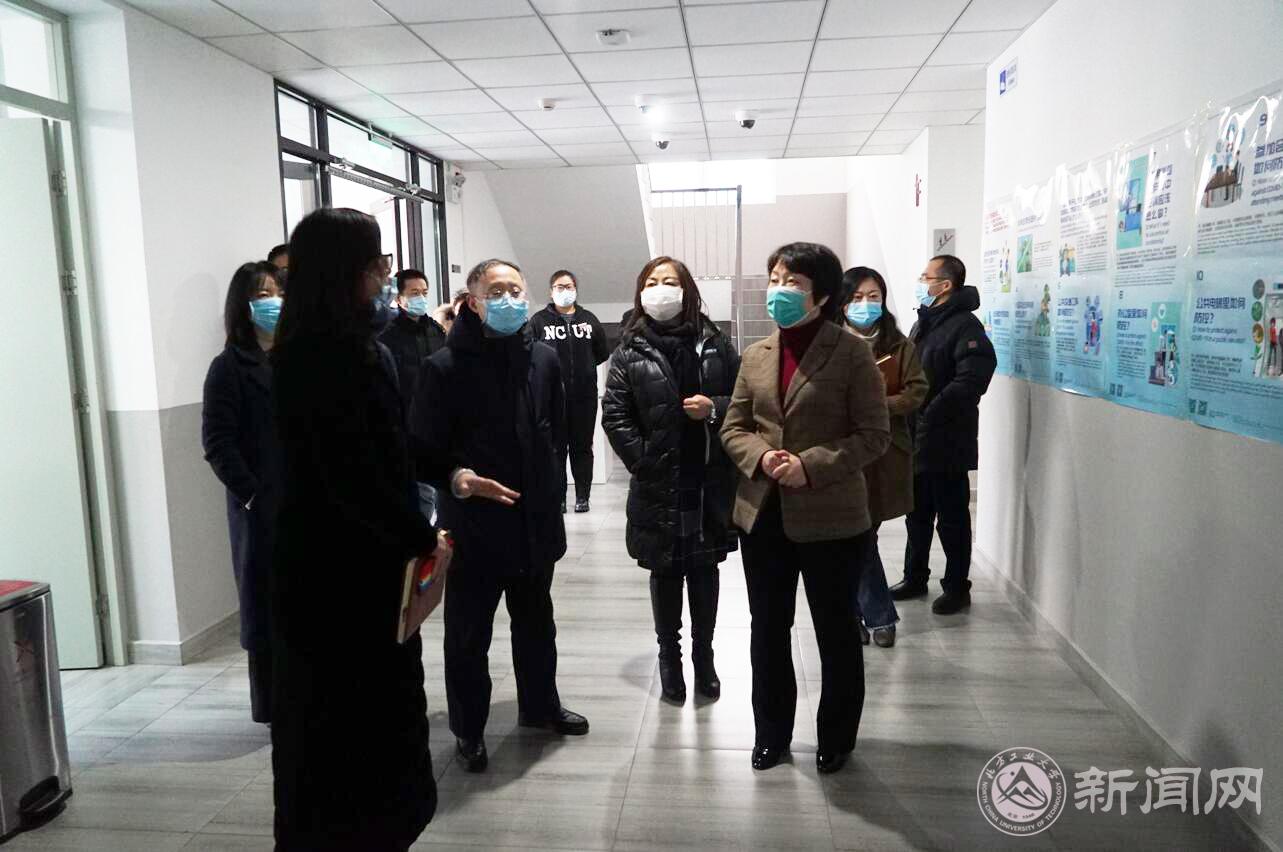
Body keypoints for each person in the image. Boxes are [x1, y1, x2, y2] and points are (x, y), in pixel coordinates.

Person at [269, 208, 452, 851]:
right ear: (346, 272)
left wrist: (446, 479)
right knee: (362, 748)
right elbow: (361, 479)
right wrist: (424, 536)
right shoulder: (340, 358)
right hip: (349, 587)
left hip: (318, 584)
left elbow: (384, 455)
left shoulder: (303, 352)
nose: (384, 278)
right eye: (377, 265)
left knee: (326, 749)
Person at [411, 258, 589, 776]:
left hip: (534, 521)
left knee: (537, 624)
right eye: (496, 291)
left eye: (516, 289)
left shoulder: (544, 360)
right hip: (475, 525)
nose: (509, 299)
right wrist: (458, 477)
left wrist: (551, 489)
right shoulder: (443, 368)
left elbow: (555, 431)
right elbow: (420, 451)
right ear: (473, 302)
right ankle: (468, 728)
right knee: (469, 634)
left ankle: (540, 705)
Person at [720, 242, 889, 774]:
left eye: (793, 282)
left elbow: (874, 435)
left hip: (833, 519)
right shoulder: (756, 354)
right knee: (768, 630)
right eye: (775, 279)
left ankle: (836, 737)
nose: (779, 290)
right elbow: (734, 426)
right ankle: (771, 734)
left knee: (835, 632)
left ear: (822, 295)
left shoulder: (852, 353)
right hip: (764, 514)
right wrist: (762, 455)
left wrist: (809, 465)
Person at [602, 257, 739, 704]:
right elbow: (615, 414)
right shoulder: (629, 349)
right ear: (641, 291)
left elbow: (743, 400)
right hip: (659, 480)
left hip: (706, 478)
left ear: (688, 291)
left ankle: (704, 655)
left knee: (704, 570)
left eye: (670, 282)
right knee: (664, 570)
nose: (661, 289)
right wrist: (644, 461)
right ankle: (669, 657)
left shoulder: (715, 343)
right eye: (652, 282)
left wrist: (713, 409)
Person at [889, 254, 996, 615]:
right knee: (917, 513)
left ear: (945, 285)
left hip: (947, 439)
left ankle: (956, 587)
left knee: (951, 518)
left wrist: (930, 412)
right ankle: (915, 576)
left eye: (926, 277)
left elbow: (972, 380)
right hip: (917, 436)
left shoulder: (965, 326)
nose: (921, 282)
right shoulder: (925, 322)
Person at [201, 260, 283, 723]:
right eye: (264, 295)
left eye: (279, 293)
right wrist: (255, 496)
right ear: (244, 306)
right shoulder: (228, 367)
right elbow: (218, 444)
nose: (275, 303)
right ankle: (271, 705)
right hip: (260, 509)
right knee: (265, 606)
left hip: (306, 502)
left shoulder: (298, 360)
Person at [838, 267, 929, 649]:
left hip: (886, 453)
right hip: (843, 455)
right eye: (857, 297)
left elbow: (917, 390)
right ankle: (873, 616)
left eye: (873, 296)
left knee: (863, 535)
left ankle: (863, 616)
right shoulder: (829, 343)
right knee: (855, 537)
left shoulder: (898, 343)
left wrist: (877, 405)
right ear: (843, 302)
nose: (865, 304)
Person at [529, 269, 610, 513]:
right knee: (556, 449)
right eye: (560, 287)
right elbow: (531, 354)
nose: (565, 291)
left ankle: (583, 497)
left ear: (576, 289)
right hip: (551, 397)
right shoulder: (539, 321)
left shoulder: (589, 319)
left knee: (582, 448)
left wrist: (583, 369)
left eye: (569, 286)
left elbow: (601, 352)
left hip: (584, 397)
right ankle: (559, 499)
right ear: (551, 291)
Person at [380, 269, 448, 522]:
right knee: (418, 491)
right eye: (414, 293)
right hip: (405, 424)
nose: (420, 298)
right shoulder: (387, 335)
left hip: (436, 422)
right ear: (399, 298)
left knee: (435, 489)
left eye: (424, 293)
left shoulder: (436, 331)